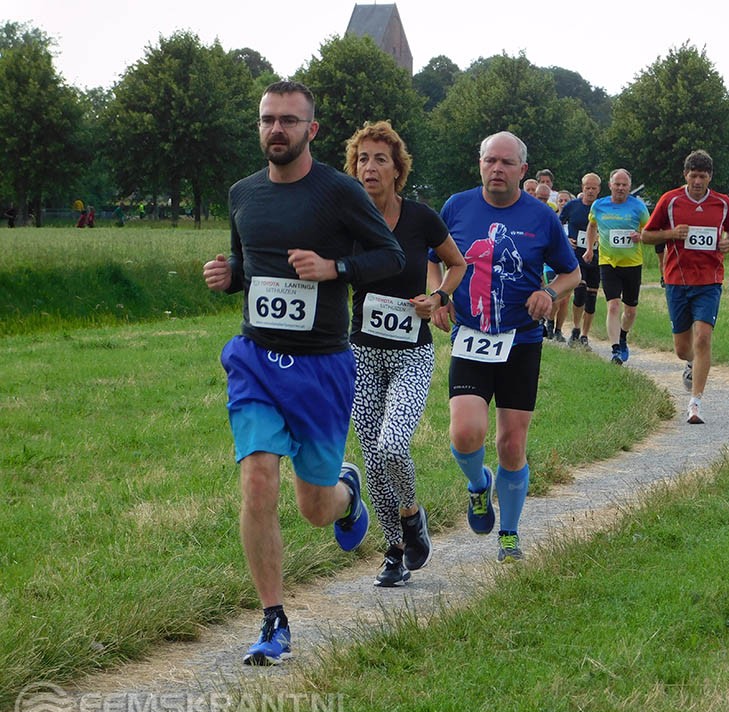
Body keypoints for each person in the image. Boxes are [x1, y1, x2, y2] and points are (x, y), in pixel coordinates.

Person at [202, 81, 405, 665]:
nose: (276, 130)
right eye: (268, 120)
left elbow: (389, 257)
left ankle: (347, 492)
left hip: (321, 367)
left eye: (289, 121)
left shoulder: (339, 193)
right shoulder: (243, 194)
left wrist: (333, 267)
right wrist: (229, 274)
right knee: (258, 481)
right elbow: (252, 266)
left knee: (316, 509)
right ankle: (273, 621)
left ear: (311, 130)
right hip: (256, 361)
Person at [434, 131, 580, 563]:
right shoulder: (456, 208)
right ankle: (479, 486)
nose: (496, 169)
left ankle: (510, 535)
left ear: (523, 171)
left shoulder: (540, 217)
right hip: (471, 337)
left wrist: (549, 294)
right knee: (464, 432)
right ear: (479, 164)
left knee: (511, 445)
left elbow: (570, 273)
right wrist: (438, 294)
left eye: (506, 163)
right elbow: (432, 255)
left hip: (521, 340)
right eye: (489, 161)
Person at [343, 121, 467, 588]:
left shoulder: (420, 218)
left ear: (398, 170)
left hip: (411, 353)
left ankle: (413, 516)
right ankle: (394, 549)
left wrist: (436, 298)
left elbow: (457, 263)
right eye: (362, 160)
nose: (369, 167)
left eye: (379, 159)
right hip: (363, 353)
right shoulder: (346, 222)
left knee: (393, 444)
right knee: (372, 460)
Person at [640, 149, 729, 425]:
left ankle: (695, 404)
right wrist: (671, 234)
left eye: (703, 176)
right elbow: (646, 235)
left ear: (710, 177)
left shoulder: (722, 203)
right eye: (693, 176)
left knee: (703, 338)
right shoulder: (670, 201)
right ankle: (690, 364)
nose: (698, 181)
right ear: (686, 175)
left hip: (709, 280)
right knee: (683, 348)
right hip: (677, 280)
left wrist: (728, 242)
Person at [584, 168, 649, 365]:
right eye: (617, 184)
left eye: (624, 185)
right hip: (608, 262)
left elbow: (649, 230)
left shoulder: (638, 207)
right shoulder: (599, 205)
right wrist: (589, 248)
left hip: (632, 264)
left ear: (629, 187)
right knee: (613, 305)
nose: (620, 188)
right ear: (610, 185)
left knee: (630, 311)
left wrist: (641, 236)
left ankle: (623, 336)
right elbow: (592, 225)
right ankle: (615, 350)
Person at [560, 173, 602, 350]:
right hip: (577, 255)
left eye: (594, 188)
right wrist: (565, 237)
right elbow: (556, 224)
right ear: (582, 188)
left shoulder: (603, 207)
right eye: (587, 188)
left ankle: (584, 334)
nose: (590, 191)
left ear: (599, 190)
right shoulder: (572, 206)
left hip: (598, 256)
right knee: (580, 292)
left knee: (591, 298)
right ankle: (576, 328)